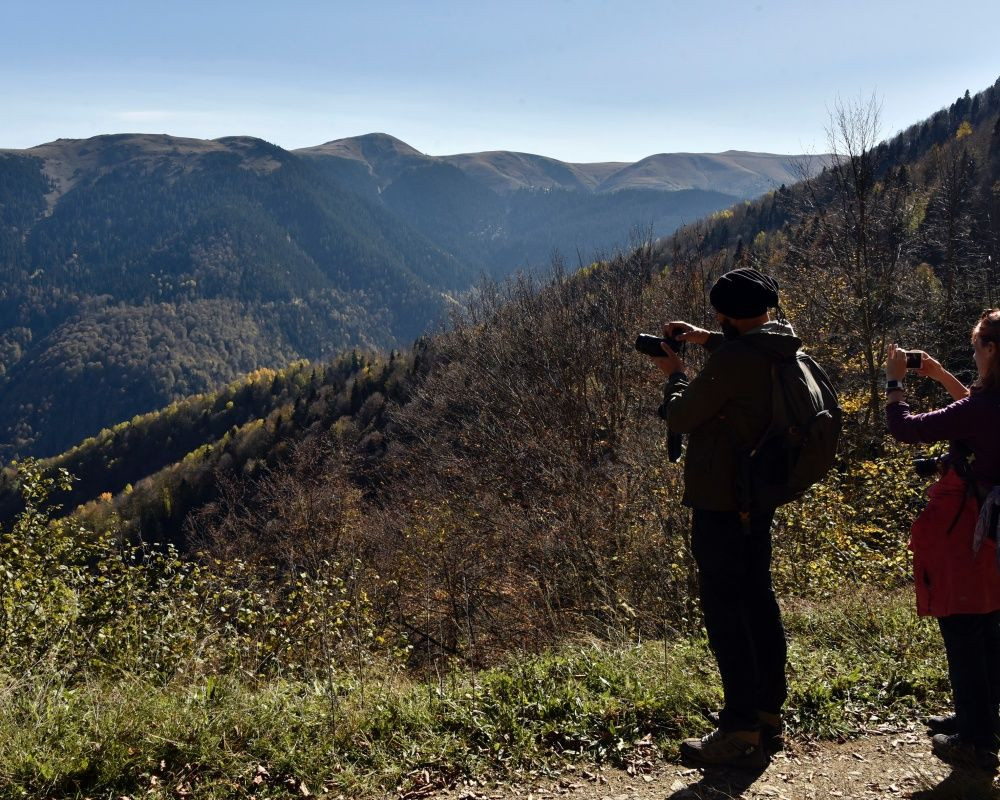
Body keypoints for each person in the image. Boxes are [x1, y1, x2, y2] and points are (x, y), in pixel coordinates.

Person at [646, 268, 798, 769]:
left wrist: (673, 375)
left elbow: (682, 416)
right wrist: (707, 339)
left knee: (725, 613)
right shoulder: (781, 344)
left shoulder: (734, 360)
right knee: (759, 599)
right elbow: (744, 359)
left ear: (729, 316)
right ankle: (767, 711)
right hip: (759, 497)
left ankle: (739, 731)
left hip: (722, 503)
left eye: (718, 317)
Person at [885, 308, 1000, 772]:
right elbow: (970, 417)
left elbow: (904, 429)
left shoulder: (983, 408)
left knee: (962, 624)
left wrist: (896, 384)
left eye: (976, 349)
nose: (973, 356)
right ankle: (980, 720)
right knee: (989, 622)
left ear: (992, 350)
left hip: (967, 526)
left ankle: (975, 741)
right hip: (993, 528)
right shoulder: (991, 403)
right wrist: (938, 373)